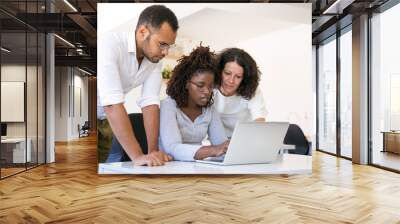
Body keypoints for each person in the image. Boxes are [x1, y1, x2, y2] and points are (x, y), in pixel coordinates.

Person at [97, 5, 178, 166]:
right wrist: (138, 156)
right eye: (162, 44)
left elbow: (150, 103)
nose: (165, 52)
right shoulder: (109, 44)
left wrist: (152, 152)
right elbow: (112, 104)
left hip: (107, 122)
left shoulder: (154, 60)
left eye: (169, 46)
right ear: (143, 32)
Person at [159, 45, 229, 161]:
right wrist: (213, 150)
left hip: (196, 166)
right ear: (186, 83)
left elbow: (221, 144)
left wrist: (229, 148)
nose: (207, 91)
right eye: (200, 85)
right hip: (168, 167)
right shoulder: (168, 105)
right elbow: (172, 148)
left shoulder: (209, 109)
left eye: (210, 87)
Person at [213, 48, 268, 138]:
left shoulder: (251, 90)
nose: (231, 81)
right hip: (217, 140)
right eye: (227, 73)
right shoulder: (210, 88)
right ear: (219, 71)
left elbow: (260, 121)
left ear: (244, 79)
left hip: (245, 139)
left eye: (238, 77)